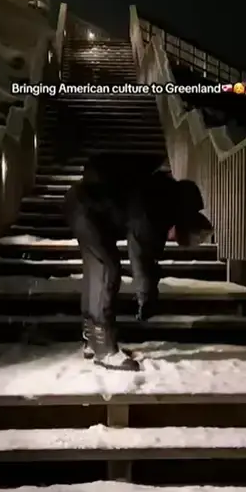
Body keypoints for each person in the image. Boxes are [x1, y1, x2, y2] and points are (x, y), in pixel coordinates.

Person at [63, 154, 213, 371]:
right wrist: (146, 295)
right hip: (86, 209)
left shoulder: (160, 199)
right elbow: (141, 254)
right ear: (181, 218)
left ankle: (92, 341)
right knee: (107, 270)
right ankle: (104, 349)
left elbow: (148, 253)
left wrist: (148, 290)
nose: (174, 240)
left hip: (85, 207)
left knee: (97, 270)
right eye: (180, 235)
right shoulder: (153, 208)